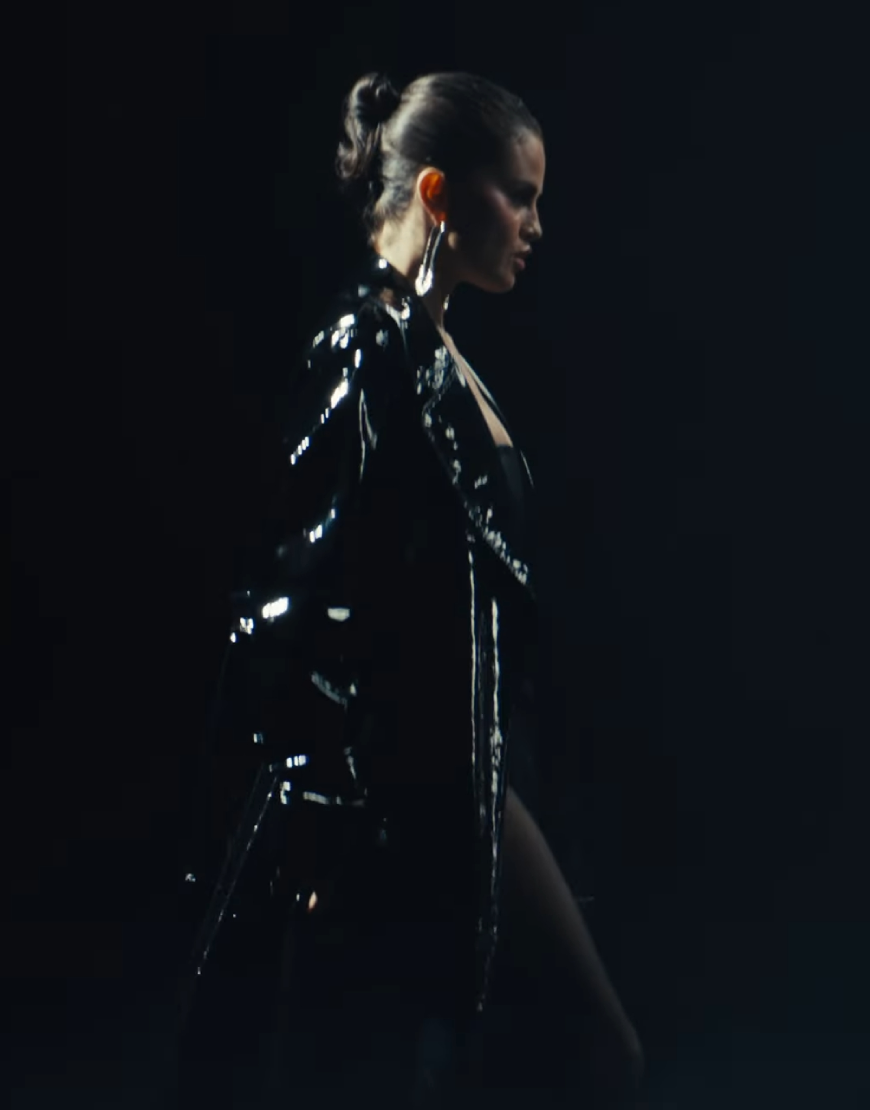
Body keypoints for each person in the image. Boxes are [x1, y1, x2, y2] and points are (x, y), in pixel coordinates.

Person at [219, 70, 645, 1109]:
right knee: (591, 1054)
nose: (537, 225)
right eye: (520, 196)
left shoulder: (432, 348)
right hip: (413, 786)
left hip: (472, 770)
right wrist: (320, 806)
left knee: (465, 1066)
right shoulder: (369, 345)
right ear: (441, 194)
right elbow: (294, 591)